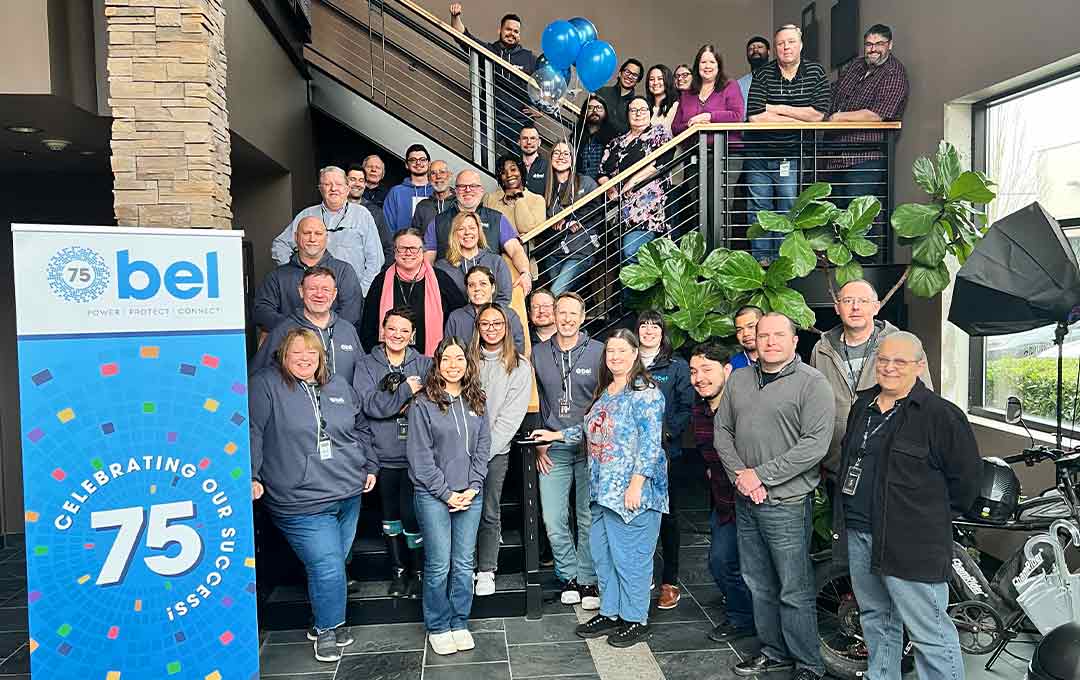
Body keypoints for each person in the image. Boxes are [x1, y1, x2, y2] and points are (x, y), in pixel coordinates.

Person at [832, 332, 980, 680]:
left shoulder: (940, 415)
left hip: (911, 542)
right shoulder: (863, 406)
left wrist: (924, 518)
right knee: (876, 619)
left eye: (900, 361)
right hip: (860, 532)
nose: (889, 367)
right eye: (883, 360)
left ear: (919, 365)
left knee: (929, 631)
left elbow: (965, 483)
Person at [713, 312, 834, 679]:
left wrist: (761, 476)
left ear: (794, 341)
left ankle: (808, 663)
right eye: (762, 335)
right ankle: (773, 651)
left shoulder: (812, 384)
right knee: (758, 583)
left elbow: (814, 446)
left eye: (778, 335)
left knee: (792, 588)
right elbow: (723, 432)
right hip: (747, 501)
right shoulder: (739, 381)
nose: (769, 341)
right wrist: (742, 478)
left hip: (786, 502)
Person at [532, 329, 668, 648]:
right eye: (610, 352)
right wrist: (555, 437)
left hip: (634, 495)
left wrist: (636, 485)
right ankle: (611, 611)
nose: (615, 357)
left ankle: (635, 619)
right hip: (602, 493)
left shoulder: (645, 391)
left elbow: (651, 444)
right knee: (604, 556)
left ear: (635, 353)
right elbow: (590, 430)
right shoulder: (607, 390)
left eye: (622, 351)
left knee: (631, 558)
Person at [249, 328, 378, 662]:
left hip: (348, 491)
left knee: (332, 563)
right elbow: (252, 430)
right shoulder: (265, 385)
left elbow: (361, 427)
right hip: (299, 499)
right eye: (297, 353)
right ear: (283, 356)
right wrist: (251, 474)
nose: (305, 359)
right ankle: (327, 628)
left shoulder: (337, 385)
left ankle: (324, 617)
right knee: (328, 565)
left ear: (321, 357)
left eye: (312, 353)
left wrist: (370, 466)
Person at [407, 336, 491, 656]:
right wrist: (446, 493)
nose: (453, 365)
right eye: (446, 359)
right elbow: (420, 457)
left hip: (470, 493)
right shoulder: (423, 404)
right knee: (440, 563)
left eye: (459, 359)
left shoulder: (477, 400)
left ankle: (459, 620)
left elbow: (483, 448)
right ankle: (438, 625)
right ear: (437, 364)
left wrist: (472, 486)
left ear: (468, 364)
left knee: (462, 563)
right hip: (433, 495)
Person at [809, 279, 933, 477]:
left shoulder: (901, 344)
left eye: (863, 301)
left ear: (876, 307)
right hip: (837, 466)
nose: (856, 307)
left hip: (889, 468)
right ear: (837, 308)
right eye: (848, 301)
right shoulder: (822, 349)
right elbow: (813, 405)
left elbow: (924, 403)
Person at [530, 292, 604, 609]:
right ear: (553, 315)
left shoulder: (599, 353)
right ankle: (568, 575)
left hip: (591, 447)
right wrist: (538, 444)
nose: (567, 318)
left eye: (573, 313)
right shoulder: (537, 353)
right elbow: (532, 401)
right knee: (553, 517)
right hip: (553, 449)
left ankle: (587, 580)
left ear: (583, 316)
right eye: (562, 312)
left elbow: (608, 400)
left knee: (588, 517)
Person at [354, 307, 433, 598]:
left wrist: (389, 405)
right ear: (382, 331)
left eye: (404, 330)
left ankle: (418, 572)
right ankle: (397, 572)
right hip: (382, 456)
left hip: (416, 457)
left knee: (413, 517)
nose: (397, 335)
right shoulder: (366, 365)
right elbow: (368, 406)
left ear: (413, 335)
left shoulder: (425, 364)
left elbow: (430, 405)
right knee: (390, 519)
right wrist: (404, 395)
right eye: (392, 329)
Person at [745, 25, 830, 265]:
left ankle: (784, 262)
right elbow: (755, 116)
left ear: (800, 45)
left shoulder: (815, 72)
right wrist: (798, 116)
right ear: (775, 48)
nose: (786, 47)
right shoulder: (763, 73)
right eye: (781, 43)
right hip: (759, 153)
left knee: (788, 206)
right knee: (760, 209)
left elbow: (818, 115)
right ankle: (762, 260)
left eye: (791, 42)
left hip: (790, 154)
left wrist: (778, 108)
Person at [688, 342, 755, 643]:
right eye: (693, 371)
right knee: (720, 562)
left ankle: (749, 618)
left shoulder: (746, 407)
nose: (699, 377)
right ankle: (743, 613)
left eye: (706, 369)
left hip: (753, 500)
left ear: (727, 370)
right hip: (723, 502)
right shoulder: (699, 410)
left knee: (736, 563)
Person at [472, 303, 532, 596]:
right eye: (485, 324)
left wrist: (482, 453)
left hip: (494, 452)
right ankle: (463, 566)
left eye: (497, 323)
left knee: (489, 509)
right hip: (460, 451)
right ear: (478, 328)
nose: (491, 329)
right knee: (462, 509)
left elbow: (510, 418)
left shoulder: (520, 366)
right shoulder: (466, 360)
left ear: (506, 328)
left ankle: (486, 569)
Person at [827, 24, 909, 240]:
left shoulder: (894, 72)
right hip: (836, 157)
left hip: (865, 158)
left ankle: (865, 271)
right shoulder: (856, 66)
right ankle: (840, 271)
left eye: (879, 44)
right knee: (836, 219)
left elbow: (877, 114)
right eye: (869, 44)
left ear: (890, 45)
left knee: (861, 220)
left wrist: (838, 117)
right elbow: (834, 92)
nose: (873, 49)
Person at [637, 311, 692, 610]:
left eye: (654, 326)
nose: (648, 330)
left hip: (667, 453)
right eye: (643, 326)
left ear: (662, 332)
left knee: (668, 518)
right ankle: (641, 575)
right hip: (631, 456)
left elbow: (686, 407)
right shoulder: (627, 362)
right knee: (637, 514)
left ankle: (669, 581)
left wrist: (667, 435)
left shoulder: (676, 366)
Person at [271, 166, 385, 294]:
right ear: (320, 189)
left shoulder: (362, 215)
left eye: (338, 184)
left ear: (347, 189)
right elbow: (280, 245)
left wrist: (361, 292)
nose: (333, 188)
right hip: (314, 296)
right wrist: (294, 274)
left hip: (349, 294)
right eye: (327, 184)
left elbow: (375, 260)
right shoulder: (306, 215)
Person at [424, 169, 533, 298]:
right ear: (455, 190)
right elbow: (428, 259)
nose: (468, 190)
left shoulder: (497, 219)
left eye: (473, 186)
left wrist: (525, 273)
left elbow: (515, 250)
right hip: (449, 296)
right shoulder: (438, 221)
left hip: (489, 297)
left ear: (482, 190)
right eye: (462, 186)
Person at [360, 228, 466, 354]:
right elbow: (368, 326)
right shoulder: (381, 281)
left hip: (433, 360)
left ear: (422, 251)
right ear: (395, 252)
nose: (408, 253)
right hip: (388, 360)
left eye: (414, 248)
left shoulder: (440, 279)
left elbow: (460, 317)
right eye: (402, 248)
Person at [449, 5, 536, 155]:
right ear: (500, 31)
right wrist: (455, 17)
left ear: (519, 35)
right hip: (490, 117)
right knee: (481, 156)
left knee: (522, 164)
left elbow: (546, 83)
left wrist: (541, 108)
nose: (512, 34)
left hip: (519, 121)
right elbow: (463, 37)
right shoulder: (489, 50)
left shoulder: (529, 58)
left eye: (516, 31)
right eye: (508, 29)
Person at [251, 266, 364, 381]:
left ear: (334, 294)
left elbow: (363, 376)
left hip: (345, 398)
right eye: (312, 289)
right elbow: (254, 376)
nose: (319, 295)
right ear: (301, 291)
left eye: (325, 289)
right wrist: (237, 392)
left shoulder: (348, 330)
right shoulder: (284, 330)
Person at [255, 216, 363, 333]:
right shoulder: (277, 276)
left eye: (318, 233)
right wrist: (297, 331)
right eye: (307, 233)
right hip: (289, 344)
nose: (312, 239)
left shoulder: (344, 271)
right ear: (296, 237)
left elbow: (351, 314)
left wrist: (322, 333)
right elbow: (262, 312)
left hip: (332, 345)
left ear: (326, 238)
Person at [599, 95, 673, 262]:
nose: (638, 113)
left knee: (631, 251)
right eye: (633, 110)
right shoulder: (616, 142)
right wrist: (609, 188)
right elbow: (602, 171)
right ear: (627, 114)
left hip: (646, 212)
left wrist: (631, 182)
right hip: (619, 213)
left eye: (642, 109)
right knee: (626, 266)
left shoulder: (659, 133)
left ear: (650, 112)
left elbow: (660, 163)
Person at [538, 140, 600, 295]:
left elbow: (598, 209)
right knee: (564, 298)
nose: (561, 157)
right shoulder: (544, 188)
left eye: (566, 153)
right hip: (553, 252)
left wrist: (571, 220)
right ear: (551, 157)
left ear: (572, 158)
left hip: (579, 249)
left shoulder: (586, 182)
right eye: (557, 153)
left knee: (555, 293)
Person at [435, 211, 513, 307]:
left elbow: (504, 298)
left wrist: (486, 317)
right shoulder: (441, 267)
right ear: (454, 234)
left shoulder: (496, 261)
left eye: (472, 228)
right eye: (461, 229)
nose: (467, 232)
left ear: (479, 231)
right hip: (456, 320)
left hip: (490, 319)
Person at [443, 266, 525, 353]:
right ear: (467, 290)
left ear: (493, 287)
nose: (477, 289)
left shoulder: (509, 315)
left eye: (483, 284)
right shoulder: (456, 317)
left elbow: (518, 351)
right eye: (471, 285)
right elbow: (448, 351)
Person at [671, 45, 745, 138]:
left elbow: (737, 116)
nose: (707, 66)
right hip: (694, 150)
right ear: (697, 65)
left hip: (727, 150)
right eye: (703, 62)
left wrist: (709, 117)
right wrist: (692, 125)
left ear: (718, 66)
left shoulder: (730, 86)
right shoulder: (687, 93)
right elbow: (675, 128)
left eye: (712, 62)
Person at [483, 155, 547, 239]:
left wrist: (519, 196)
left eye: (513, 170)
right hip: (494, 250)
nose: (509, 174)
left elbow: (526, 228)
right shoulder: (490, 199)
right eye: (503, 172)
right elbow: (485, 230)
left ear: (521, 171)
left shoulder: (537, 200)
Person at [347, 162, 394, 265]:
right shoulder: (335, 210)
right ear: (344, 183)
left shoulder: (375, 212)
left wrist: (381, 274)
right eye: (352, 179)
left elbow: (388, 247)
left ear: (365, 184)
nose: (357, 184)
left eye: (361, 180)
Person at [384, 144, 434, 233]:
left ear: (429, 164)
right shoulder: (396, 192)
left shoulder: (436, 191)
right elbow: (387, 227)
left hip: (433, 246)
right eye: (413, 160)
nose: (418, 163)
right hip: (402, 245)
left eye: (422, 159)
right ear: (407, 165)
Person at [574, 94, 617, 181]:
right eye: (590, 108)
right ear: (584, 112)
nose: (594, 111)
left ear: (605, 112)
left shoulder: (613, 137)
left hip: (602, 186)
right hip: (579, 184)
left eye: (599, 108)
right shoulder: (577, 135)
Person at [596, 58, 644, 135]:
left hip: (618, 145)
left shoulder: (636, 105)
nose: (630, 76)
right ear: (620, 73)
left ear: (637, 81)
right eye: (627, 72)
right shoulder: (601, 92)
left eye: (635, 75)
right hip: (592, 144)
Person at [411, 160, 456, 232]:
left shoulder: (460, 203)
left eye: (442, 172)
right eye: (433, 173)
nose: (438, 176)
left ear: (450, 175)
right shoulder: (422, 206)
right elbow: (416, 236)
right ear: (429, 179)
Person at [737, 36, 771, 110]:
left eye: (760, 47)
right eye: (751, 49)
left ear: (768, 52)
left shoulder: (779, 78)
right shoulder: (739, 84)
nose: (755, 50)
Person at [645, 64, 679, 136]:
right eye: (651, 79)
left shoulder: (676, 106)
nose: (655, 82)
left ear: (667, 80)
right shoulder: (645, 108)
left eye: (660, 79)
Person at [730, 305, 762, 370]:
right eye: (739, 330)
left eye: (751, 327)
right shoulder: (731, 366)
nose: (745, 334)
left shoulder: (782, 358)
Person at [519, 126, 549, 195]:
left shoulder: (548, 166)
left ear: (539, 142)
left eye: (533, 138)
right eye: (524, 138)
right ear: (519, 142)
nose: (529, 142)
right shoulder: (514, 166)